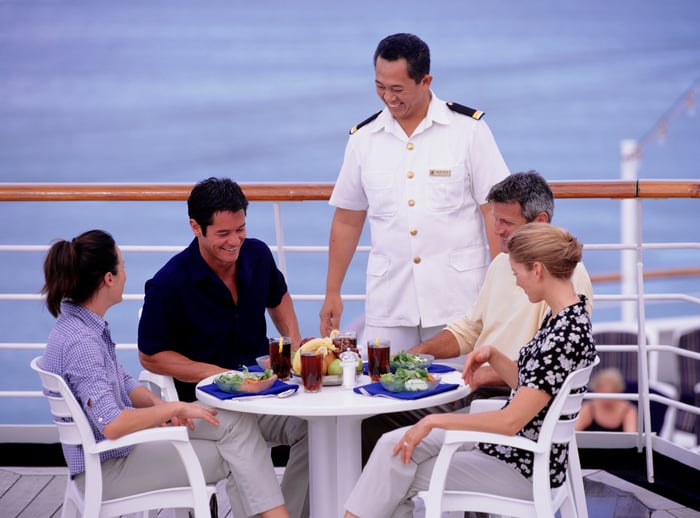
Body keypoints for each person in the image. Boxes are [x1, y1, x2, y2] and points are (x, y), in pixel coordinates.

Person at [344, 223, 598, 518]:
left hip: (519, 467)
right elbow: (535, 386)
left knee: (396, 466)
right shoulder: (567, 318)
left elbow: (510, 422)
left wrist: (434, 421)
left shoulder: (562, 337)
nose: (517, 283)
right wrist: (494, 355)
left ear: (538, 270)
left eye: (517, 274)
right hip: (522, 454)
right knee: (394, 449)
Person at [40, 229, 291, 518]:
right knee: (238, 452)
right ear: (108, 279)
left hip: (113, 454)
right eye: (121, 267)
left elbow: (123, 381)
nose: (125, 274)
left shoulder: (80, 326)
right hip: (110, 467)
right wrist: (173, 407)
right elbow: (112, 424)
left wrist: (162, 408)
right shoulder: (81, 342)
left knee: (235, 422)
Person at [360, 171, 593, 463]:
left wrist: (482, 376)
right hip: (477, 393)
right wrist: (421, 352)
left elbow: (549, 368)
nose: (496, 231)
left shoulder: (566, 280)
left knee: (393, 440)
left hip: (505, 402)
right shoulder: (500, 265)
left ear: (540, 222)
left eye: (506, 222)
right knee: (371, 422)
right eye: (495, 220)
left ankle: (443, 492)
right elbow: (470, 329)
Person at [320, 32, 510, 352]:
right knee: (382, 393)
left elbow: (495, 211)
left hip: (459, 300)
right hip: (390, 300)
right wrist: (332, 291)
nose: (388, 98)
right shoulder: (363, 139)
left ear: (425, 81)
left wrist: (500, 286)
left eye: (397, 89)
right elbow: (348, 219)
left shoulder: (468, 130)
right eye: (380, 87)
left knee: (459, 394)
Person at [137, 178, 309, 518]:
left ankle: (293, 511)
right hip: (204, 407)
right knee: (239, 429)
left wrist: (293, 348)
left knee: (316, 426)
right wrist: (221, 376)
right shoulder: (169, 283)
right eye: (223, 234)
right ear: (196, 227)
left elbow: (279, 298)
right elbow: (151, 354)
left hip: (264, 394)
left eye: (240, 229)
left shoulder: (257, 254)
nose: (235, 241)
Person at [576, 367, 638, 432]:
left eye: (610, 392)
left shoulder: (629, 410)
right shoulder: (588, 408)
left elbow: (631, 438)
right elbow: (574, 432)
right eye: (602, 392)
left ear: (617, 392)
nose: (606, 399)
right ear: (596, 390)